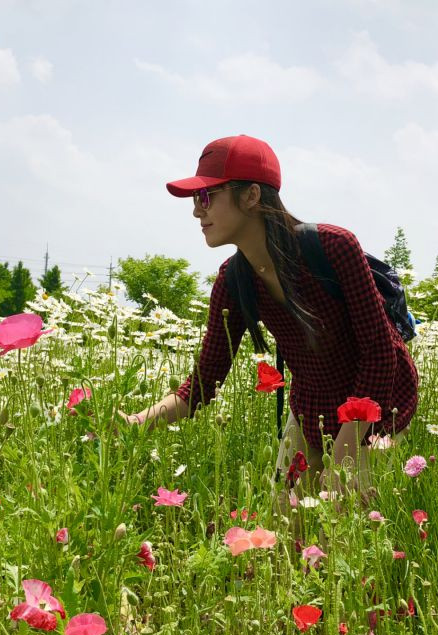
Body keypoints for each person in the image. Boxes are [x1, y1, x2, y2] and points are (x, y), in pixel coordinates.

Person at [118, 134, 419, 517]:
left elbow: (380, 356)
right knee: (285, 523)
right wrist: (136, 423)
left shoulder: (333, 248)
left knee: (345, 532)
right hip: (311, 410)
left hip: (376, 412)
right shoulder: (233, 281)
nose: (196, 211)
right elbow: (204, 383)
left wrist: (343, 458)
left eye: (206, 196)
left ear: (251, 196)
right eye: (194, 199)